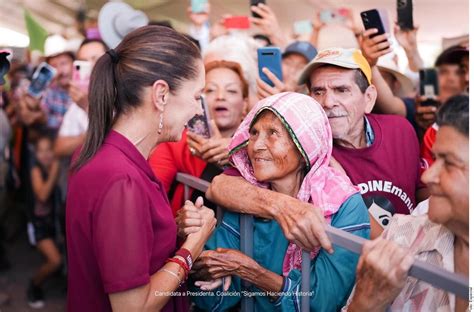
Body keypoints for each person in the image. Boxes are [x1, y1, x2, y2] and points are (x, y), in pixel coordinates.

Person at [207, 48, 426, 247]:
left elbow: (423, 194)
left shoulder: (401, 130)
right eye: (318, 92)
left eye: (341, 90)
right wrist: (283, 205)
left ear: (368, 98)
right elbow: (220, 187)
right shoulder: (301, 149)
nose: (328, 102)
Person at [66, 26, 216, 312]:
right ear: (161, 94)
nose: (198, 110)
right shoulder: (121, 178)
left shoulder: (104, 155)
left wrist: (174, 229)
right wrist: (192, 247)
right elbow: (133, 306)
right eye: (197, 96)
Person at [188, 92, 370, 311]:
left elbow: (322, 302)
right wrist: (201, 258)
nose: (256, 146)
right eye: (254, 133)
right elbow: (210, 297)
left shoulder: (344, 205)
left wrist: (250, 272)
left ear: (306, 144)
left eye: (273, 133)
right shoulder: (248, 195)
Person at [344, 94, 469, 312]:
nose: (427, 177)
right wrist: (364, 304)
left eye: (448, 163)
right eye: (434, 159)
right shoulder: (403, 234)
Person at [148, 60, 248, 215]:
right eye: (210, 90)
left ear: (245, 105)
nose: (221, 96)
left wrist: (239, 153)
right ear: (197, 101)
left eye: (232, 91)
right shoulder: (175, 142)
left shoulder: (257, 147)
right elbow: (151, 200)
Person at [54, 38, 108, 158]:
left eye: (97, 59)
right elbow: (59, 148)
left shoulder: (124, 95)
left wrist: (87, 107)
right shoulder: (78, 103)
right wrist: (88, 136)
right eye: (84, 62)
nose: (92, 66)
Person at [26, 134, 62, 309]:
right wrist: (55, 169)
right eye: (41, 151)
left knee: (55, 259)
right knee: (55, 261)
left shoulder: (53, 167)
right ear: (36, 154)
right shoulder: (36, 170)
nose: (46, 155)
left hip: (52, 223)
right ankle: (34, 285)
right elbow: (42, 195)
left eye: (49, 150)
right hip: (39, 226)